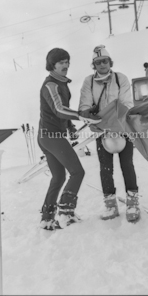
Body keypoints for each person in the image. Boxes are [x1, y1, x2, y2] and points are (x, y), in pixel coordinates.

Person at [38, 48, 101, 230]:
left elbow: (60, 112)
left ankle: (47, 218)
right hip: (51, 136)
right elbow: (58, 109)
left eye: (67, 62)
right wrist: (82, 116)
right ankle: (65, 213)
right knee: (77, 172)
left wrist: (71, 127)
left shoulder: (60, 83)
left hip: (49, 135)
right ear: (52, 64)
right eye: (61, 62)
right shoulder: (51, 85)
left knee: (58, 177)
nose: (66, 65)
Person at [79, 45, 140, 223]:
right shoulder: (88, 82)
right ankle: (110, 205)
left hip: (122, 129)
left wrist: (111, 119)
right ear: (94, 65)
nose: (102, 65)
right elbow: (84, 105)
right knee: (105, 169)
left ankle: (133, 203)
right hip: (101, 131)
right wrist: (88, 114)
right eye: (98, 62)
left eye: (104, 61)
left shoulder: (121, 79)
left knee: (127, 165)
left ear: (110, 62)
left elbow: (126, 104)